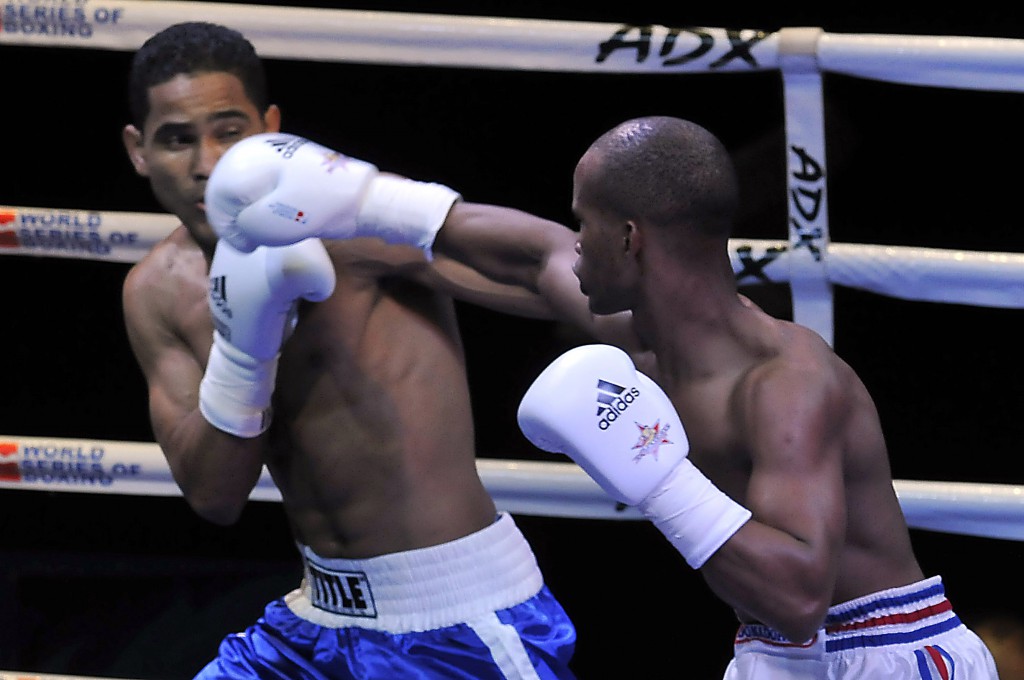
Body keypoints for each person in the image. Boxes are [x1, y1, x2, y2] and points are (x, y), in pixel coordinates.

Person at [205, 116, 1000, 678]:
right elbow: (518, 255)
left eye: (584, 224)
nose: (570, 239)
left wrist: (658, 474)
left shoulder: (787, 382)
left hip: (884, 651)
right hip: (776, 651)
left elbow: (798, 596)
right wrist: (366, 197)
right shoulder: (634, 333)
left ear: (630, 240)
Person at [119, 21, 576, 679]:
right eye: (177, 140)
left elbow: (552, 269)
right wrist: (244, 346)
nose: (206, 165)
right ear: (138, 150)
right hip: (314, 624)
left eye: (229, 130)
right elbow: (215, 495)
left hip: (458, 619)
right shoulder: (155, 292)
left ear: (271, 125)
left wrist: (384, 201)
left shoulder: (349, 225)